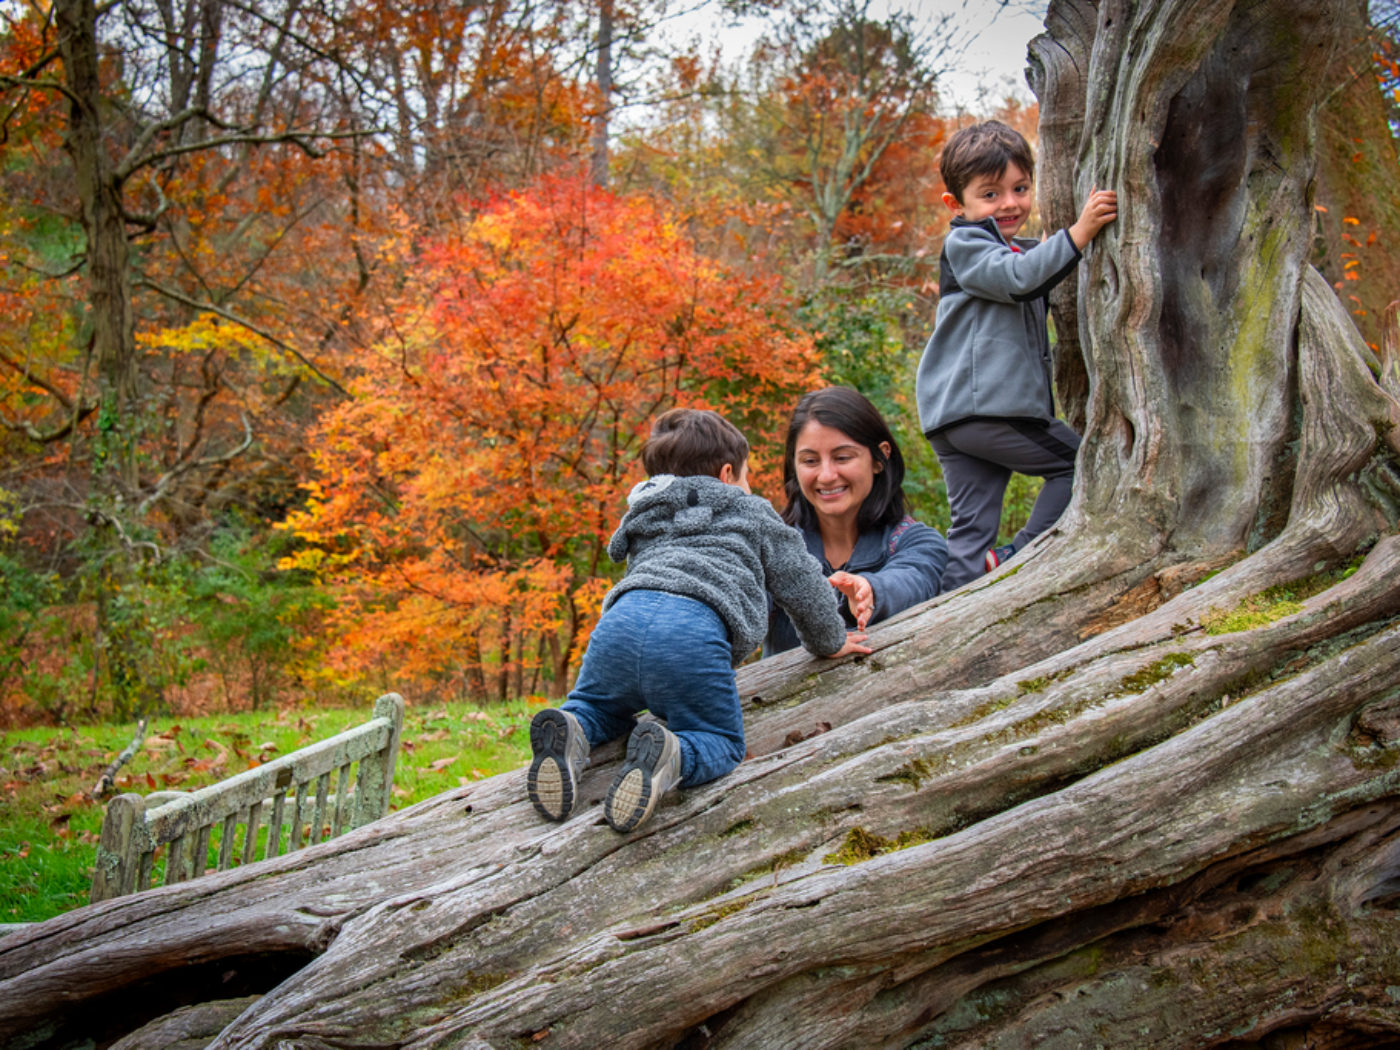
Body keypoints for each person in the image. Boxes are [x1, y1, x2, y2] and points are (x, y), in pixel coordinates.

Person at [527, 407, 871, 834]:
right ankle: (674, 753)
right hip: (694, 632)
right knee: (720, 740)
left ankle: (572, 727)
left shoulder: (646, 511)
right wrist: (829, 640)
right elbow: (801, 581)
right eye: (746, 475)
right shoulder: (751, 512)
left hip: (620, 623)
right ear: (728, 474)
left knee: (598, 706)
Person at [914, 119, 1117, 589]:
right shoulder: (966, 243)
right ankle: (1017, 557)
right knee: (1081, 464)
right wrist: (1079, 232)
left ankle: (949, 612)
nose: (1009, 203)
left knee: (969, 534)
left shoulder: (1010, 249)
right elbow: (1018, 278)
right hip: (986, 410)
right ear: (955, 205)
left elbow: (1024, 267)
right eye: (990, 194)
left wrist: (1049, 250)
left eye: (1020, 188)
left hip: (956, 416)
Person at [765, 386, 948, 656]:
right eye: (810, 461)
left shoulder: (918, 542)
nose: (826, 475)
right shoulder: (769, 547)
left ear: (879, 458)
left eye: (842, 458)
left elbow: (913, 579)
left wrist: (869, 591)